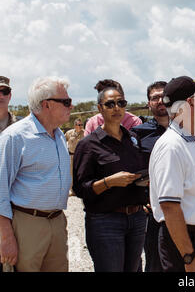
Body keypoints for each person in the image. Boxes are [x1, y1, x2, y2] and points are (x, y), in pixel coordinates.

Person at [149, 76, 195, 272]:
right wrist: (188, 257)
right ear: (190, 102)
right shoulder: (171, 146)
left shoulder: (193, 140)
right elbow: (169, 207)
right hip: (186, 243)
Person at [0, 77, 73, 272]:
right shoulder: (15, 137)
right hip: (26, 224)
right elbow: (0, 191)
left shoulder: (58, 135)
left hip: (57, 221)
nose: (71, 106)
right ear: (46, 104)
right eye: (66, 101)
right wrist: (6, 238)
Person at [72, 85, 148, 272]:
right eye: (110, 104)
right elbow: (81, 189)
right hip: (106, 221)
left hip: (137, 219)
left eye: (121, 103)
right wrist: (109, 182)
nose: (117, 108)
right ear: (100, 108)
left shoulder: (133, 139)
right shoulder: (88, 145)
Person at [131, 81, 169, 272]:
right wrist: (142, 198)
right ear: (148, 103)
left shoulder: (190, 130)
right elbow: (132, 171)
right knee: (155, 263)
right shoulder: (138, 134)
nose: (160, 101)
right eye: (154, 98)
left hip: (187, 207)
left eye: (164, 96)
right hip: (154, 211)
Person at [65, 118, 85, 195]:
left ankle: (80, 189)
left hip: (81, 157)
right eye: (78, 125)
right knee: (71, 173)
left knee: (81, 173)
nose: (80, 126)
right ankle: (72, 190)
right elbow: (63, 140)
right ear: (75, 125)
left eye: (81, 125)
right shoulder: (69, 133)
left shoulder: (85, 133)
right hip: (71, 156)